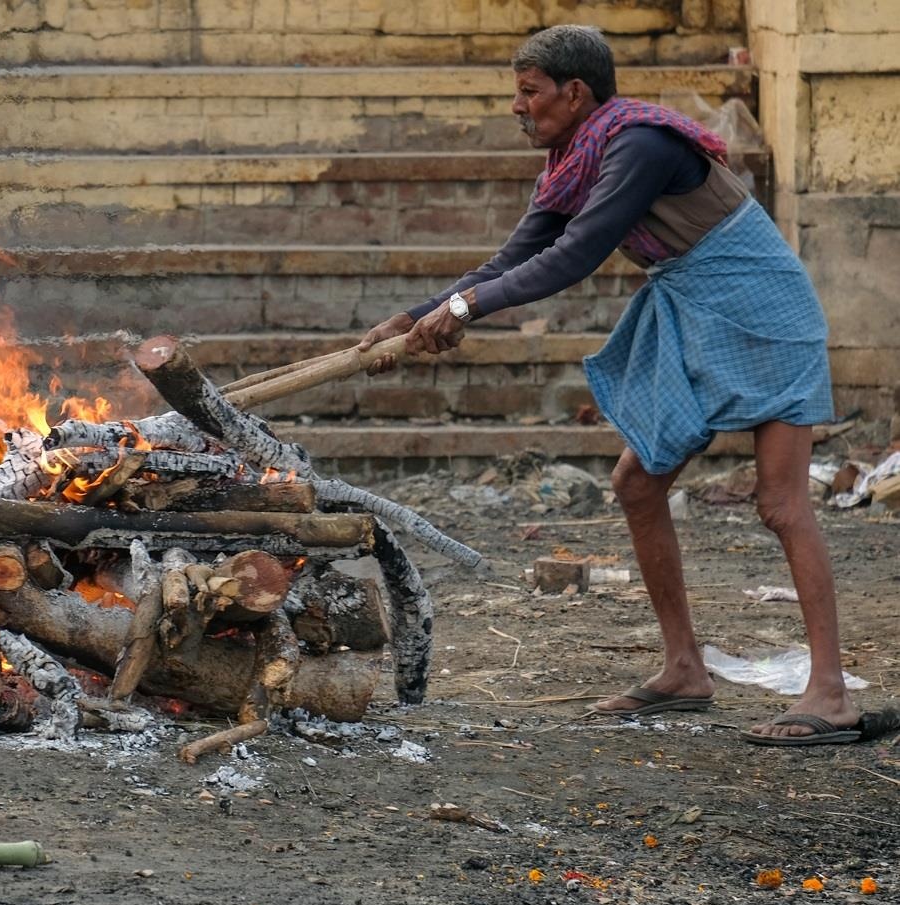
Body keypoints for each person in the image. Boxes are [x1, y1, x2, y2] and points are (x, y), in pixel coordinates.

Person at [354, 24, 887, 746]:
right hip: (688, 309)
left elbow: (575, 254)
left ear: (574, 94)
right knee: (637, 484)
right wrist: (411, 318)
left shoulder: (637, 144)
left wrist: (461, 310)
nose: (517, 107)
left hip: (761, 310)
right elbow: (515, 256)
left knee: (780, 501)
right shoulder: (571, 160)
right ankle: (683, 670)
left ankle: (829, 693)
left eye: (528, 92)